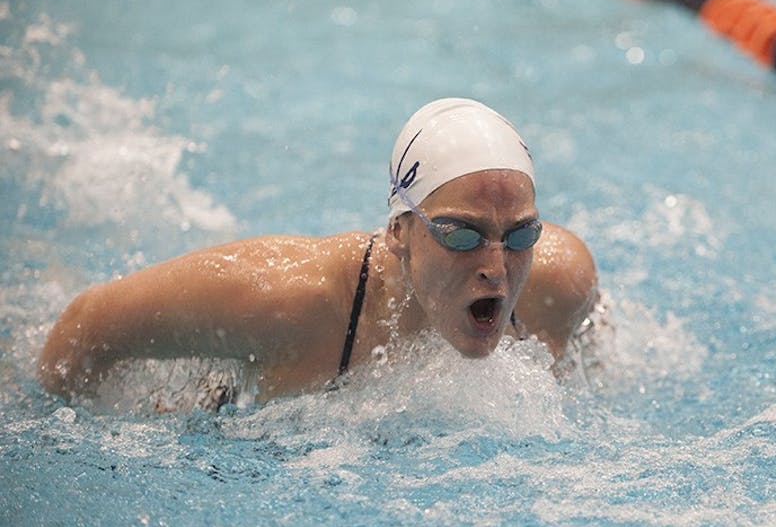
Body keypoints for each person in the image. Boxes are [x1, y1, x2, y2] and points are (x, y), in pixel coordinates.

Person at [37, 98, 599, 405]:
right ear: (400, 232)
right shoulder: (287, 298)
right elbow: (88, 324)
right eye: (460, 234)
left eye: (520, 234)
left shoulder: (555, 283)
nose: (496, 269)